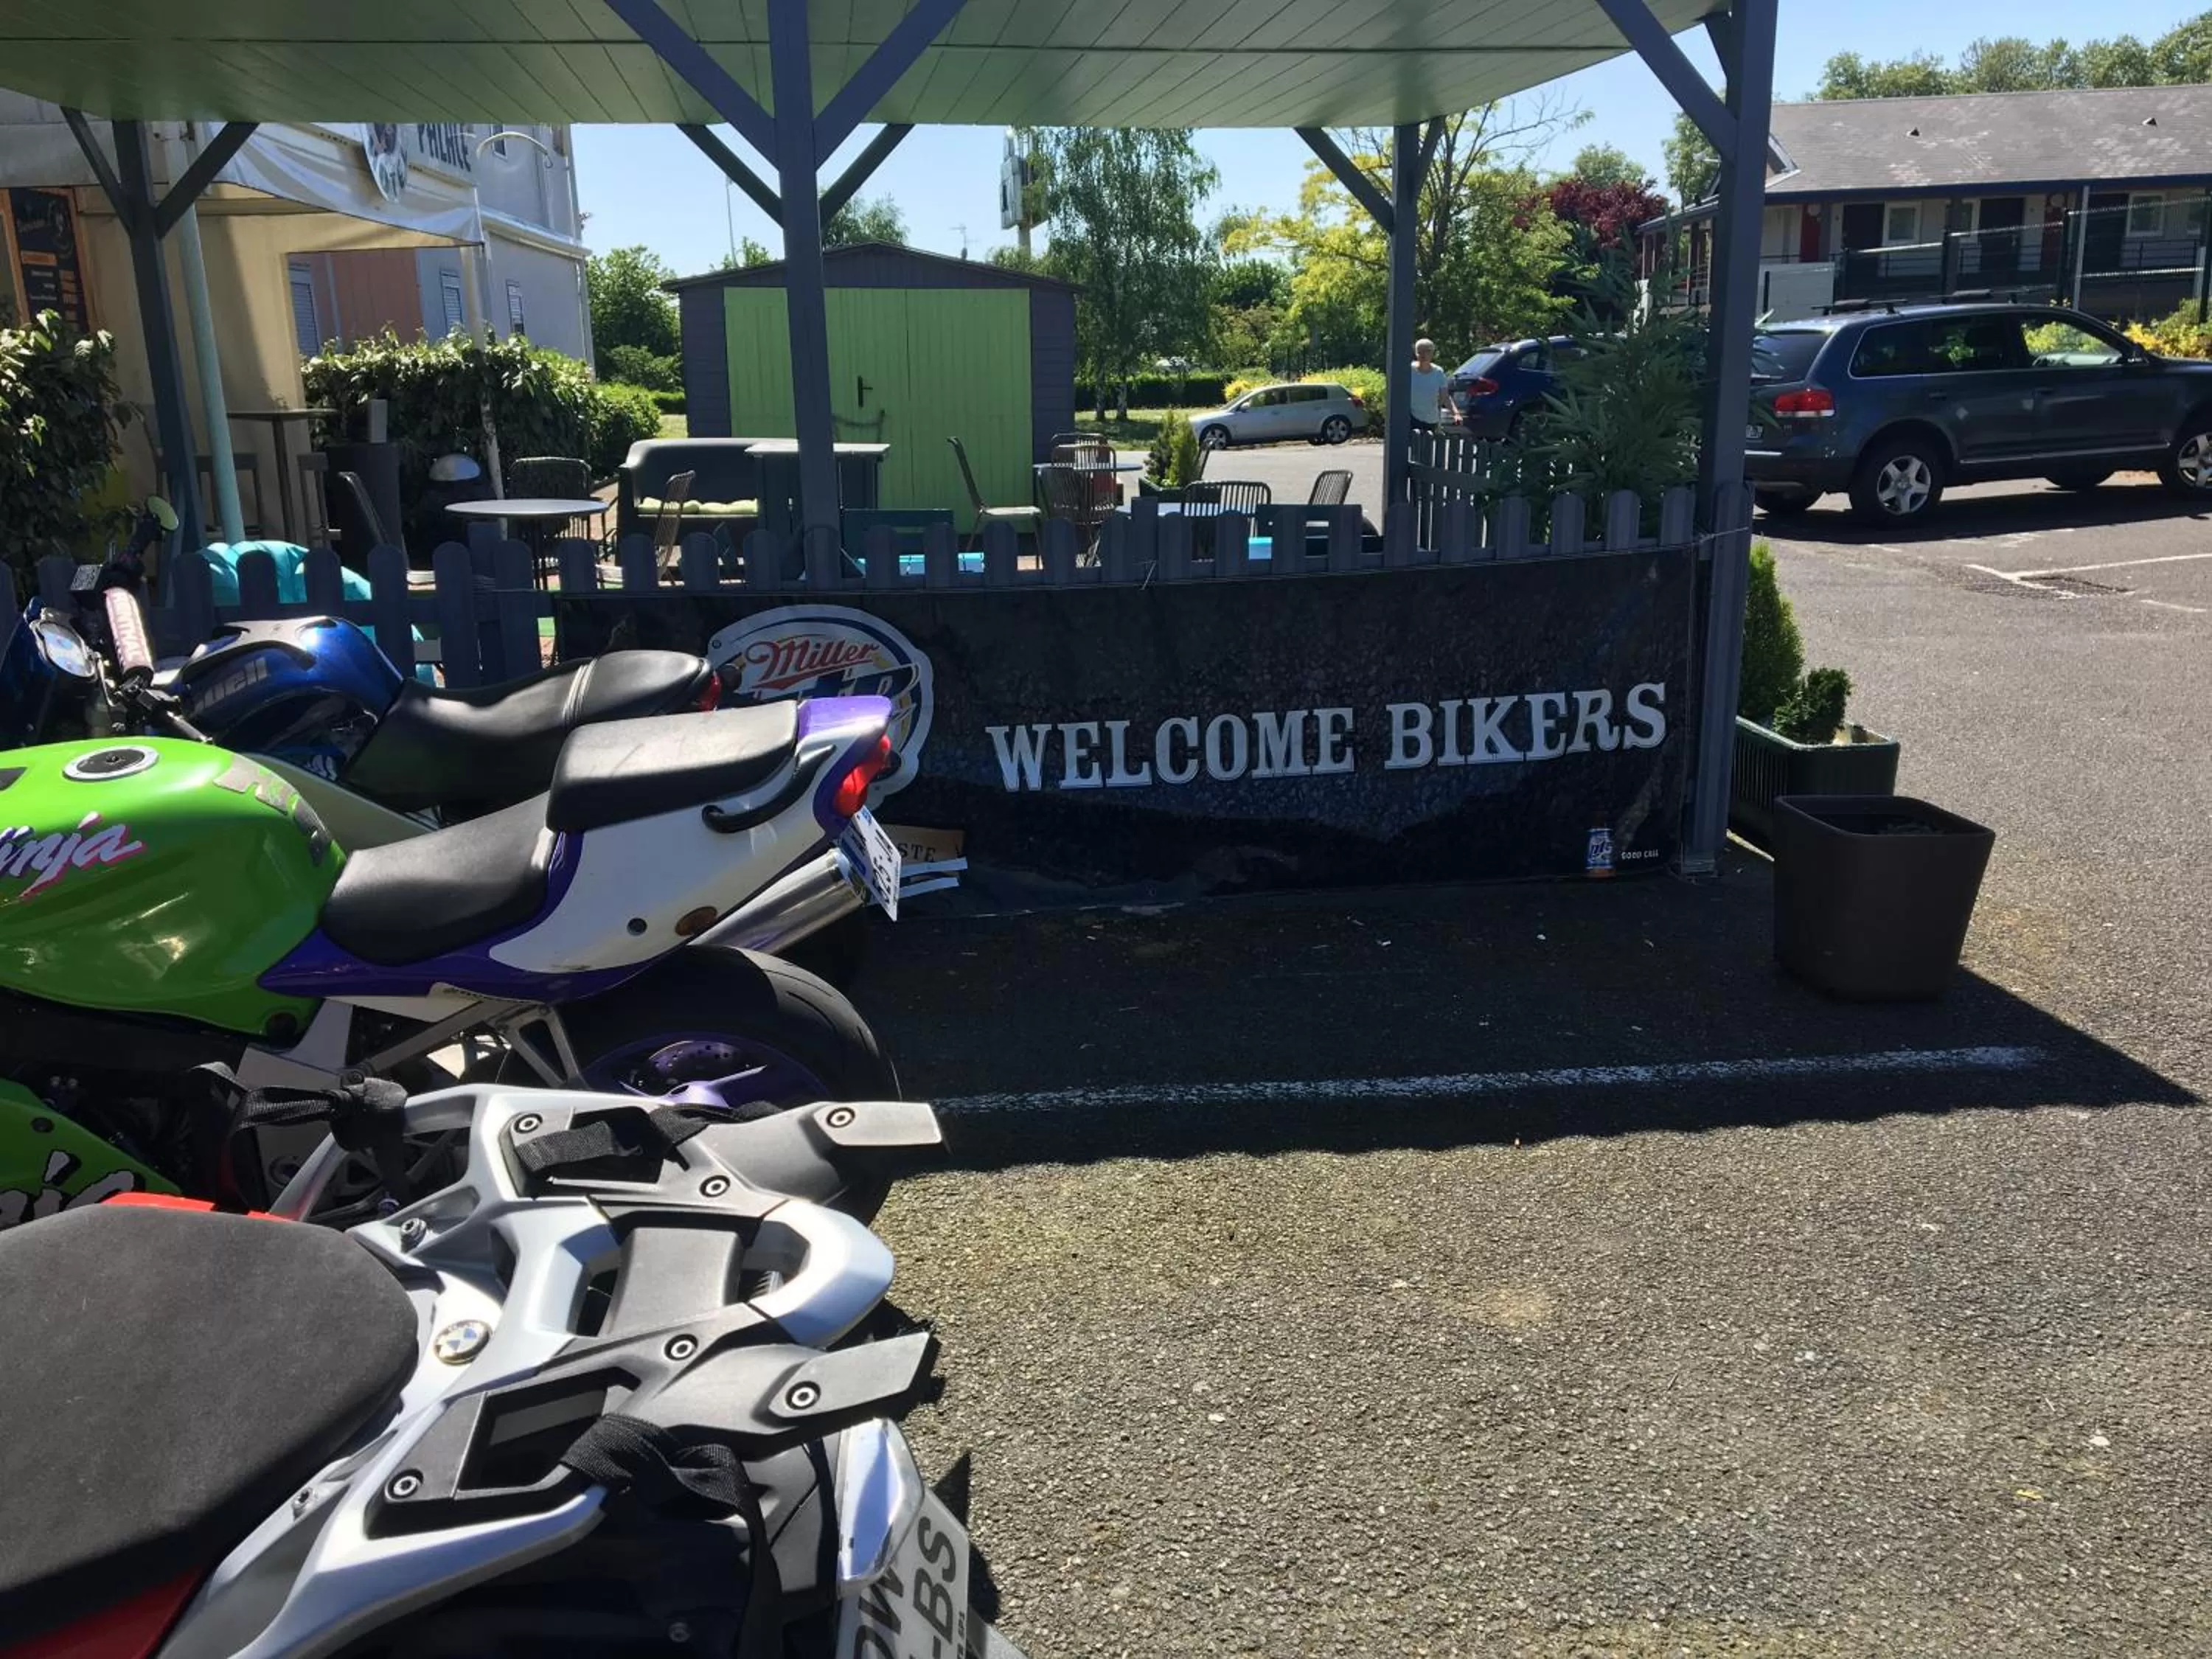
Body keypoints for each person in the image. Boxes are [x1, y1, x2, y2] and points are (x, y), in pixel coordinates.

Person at [1408, 338, 1453, 433]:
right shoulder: (1409, 370)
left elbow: (1445, 397)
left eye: (1427, 351)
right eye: (1420, 352)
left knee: (1427, 446)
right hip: (1412, 418)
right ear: (1416, 353)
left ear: (1432, 353)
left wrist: (1456, 414)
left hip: (1431, 419)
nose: (1423, 355)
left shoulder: (1438, 372)